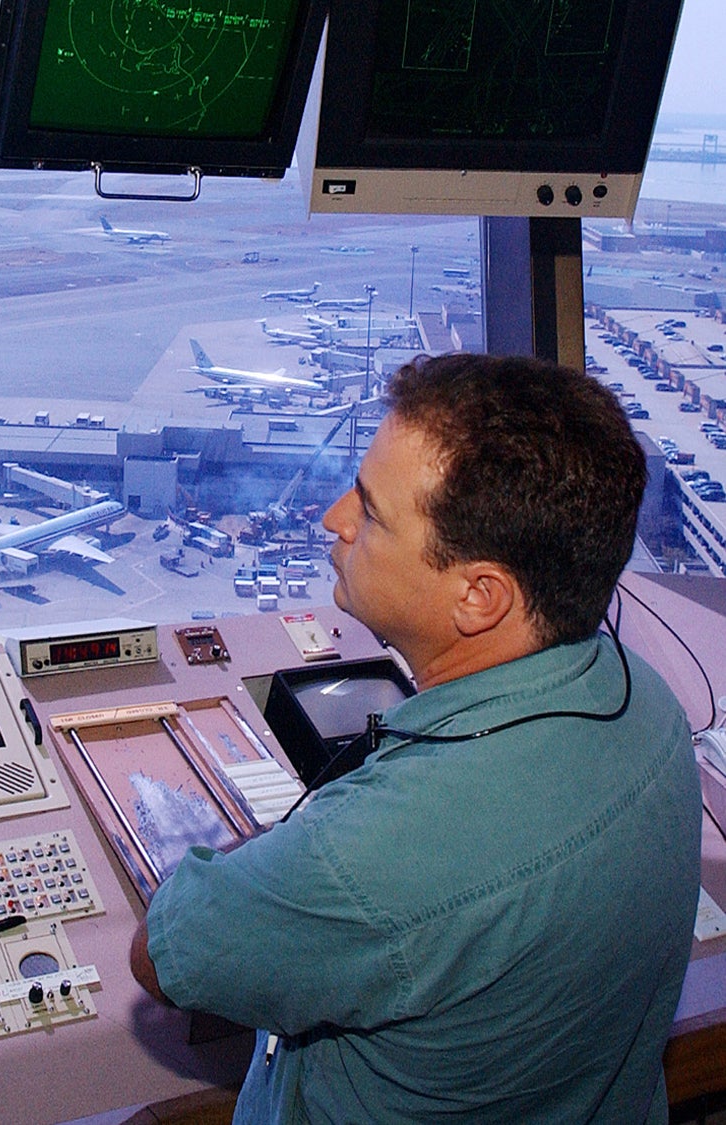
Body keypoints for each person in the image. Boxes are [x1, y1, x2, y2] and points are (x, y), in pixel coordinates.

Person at [131, 352, 701, 1122]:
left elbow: (164, 956)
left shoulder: (369, 859)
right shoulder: (651, 707)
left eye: (369, 511)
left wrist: (286, 849)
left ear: (479, 595)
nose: (332, 518)